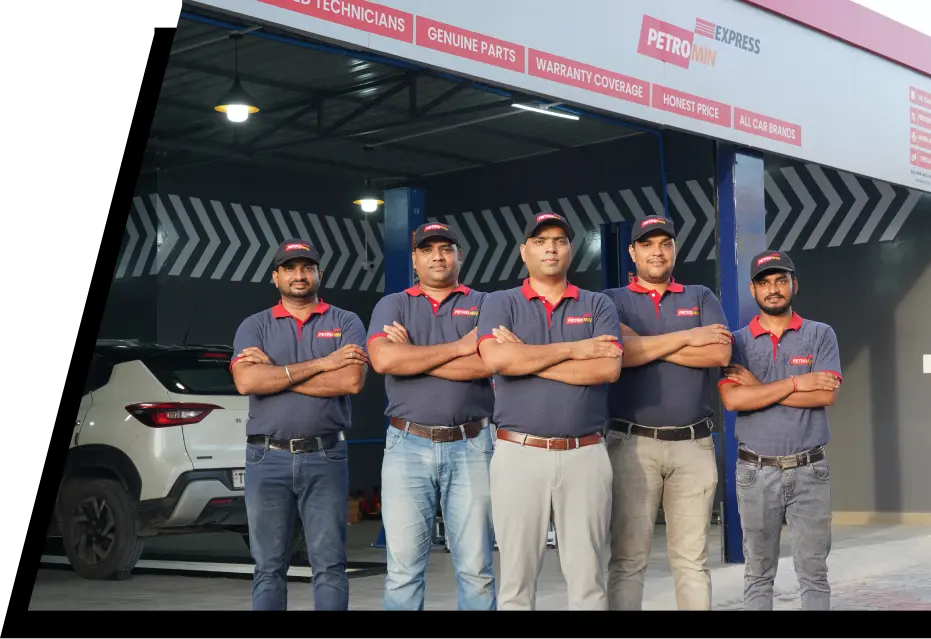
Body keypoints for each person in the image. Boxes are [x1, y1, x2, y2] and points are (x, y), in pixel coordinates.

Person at [476, 211, 624, 610]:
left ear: (571, 250)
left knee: (589, 579)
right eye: (541, 241)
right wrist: (576, 349)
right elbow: (497, 360)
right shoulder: (499, 303)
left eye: (559, 240)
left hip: (586, 454)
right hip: (518, 454)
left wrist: (526, 354)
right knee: (516, 585)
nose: (551, 248)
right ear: (525, 251)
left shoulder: (598, 304)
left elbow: (607, 368)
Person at [601, 215, 732, 611]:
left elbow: (719, 353)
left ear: (674, 249)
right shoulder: (611, 300)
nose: (657, 251)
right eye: (647, 244)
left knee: (692, 562)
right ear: (632, 252)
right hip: (631, 445)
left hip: (694, 445)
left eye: (665, 243)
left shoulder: (701, 296)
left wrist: (646, 345)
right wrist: (690, 336)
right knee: (627, 560)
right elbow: (618, 355)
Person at [230, 239, 368, 611]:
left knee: (329, 564)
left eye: (307, 267)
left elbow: (351, 381)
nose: (299, 275)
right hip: (266, 458)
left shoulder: (345, 321)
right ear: (275, 277)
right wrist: (325, 363)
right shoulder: (254, 326)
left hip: (326, 455)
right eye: (289, 268)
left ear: (319, 274)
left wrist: (275, 372)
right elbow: (246, 382)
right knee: (269, 566)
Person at [365, 222, 497, 611]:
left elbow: (488, 363)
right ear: (415, 259)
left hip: (472, 444)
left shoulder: (487, 303)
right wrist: (459, 346)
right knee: (403, 571)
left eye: (445, 248)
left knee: (476, 567)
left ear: (460, 255)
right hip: (406, 446)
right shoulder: (393, 304)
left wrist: (415, 357)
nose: (437, 256)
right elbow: (383, 359)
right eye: (427, 249)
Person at [718, 250, 842, 611]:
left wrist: (759, 387)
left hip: (810, 470)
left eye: (780, 280)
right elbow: (733, 401)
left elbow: (827, 395)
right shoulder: (737, 343)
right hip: (755, 473)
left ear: (794, 284)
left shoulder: (820, 334)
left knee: (814, 572)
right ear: (753, 290)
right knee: (758, 573)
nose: (773, 289)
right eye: (764, 282)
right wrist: (796, 382)